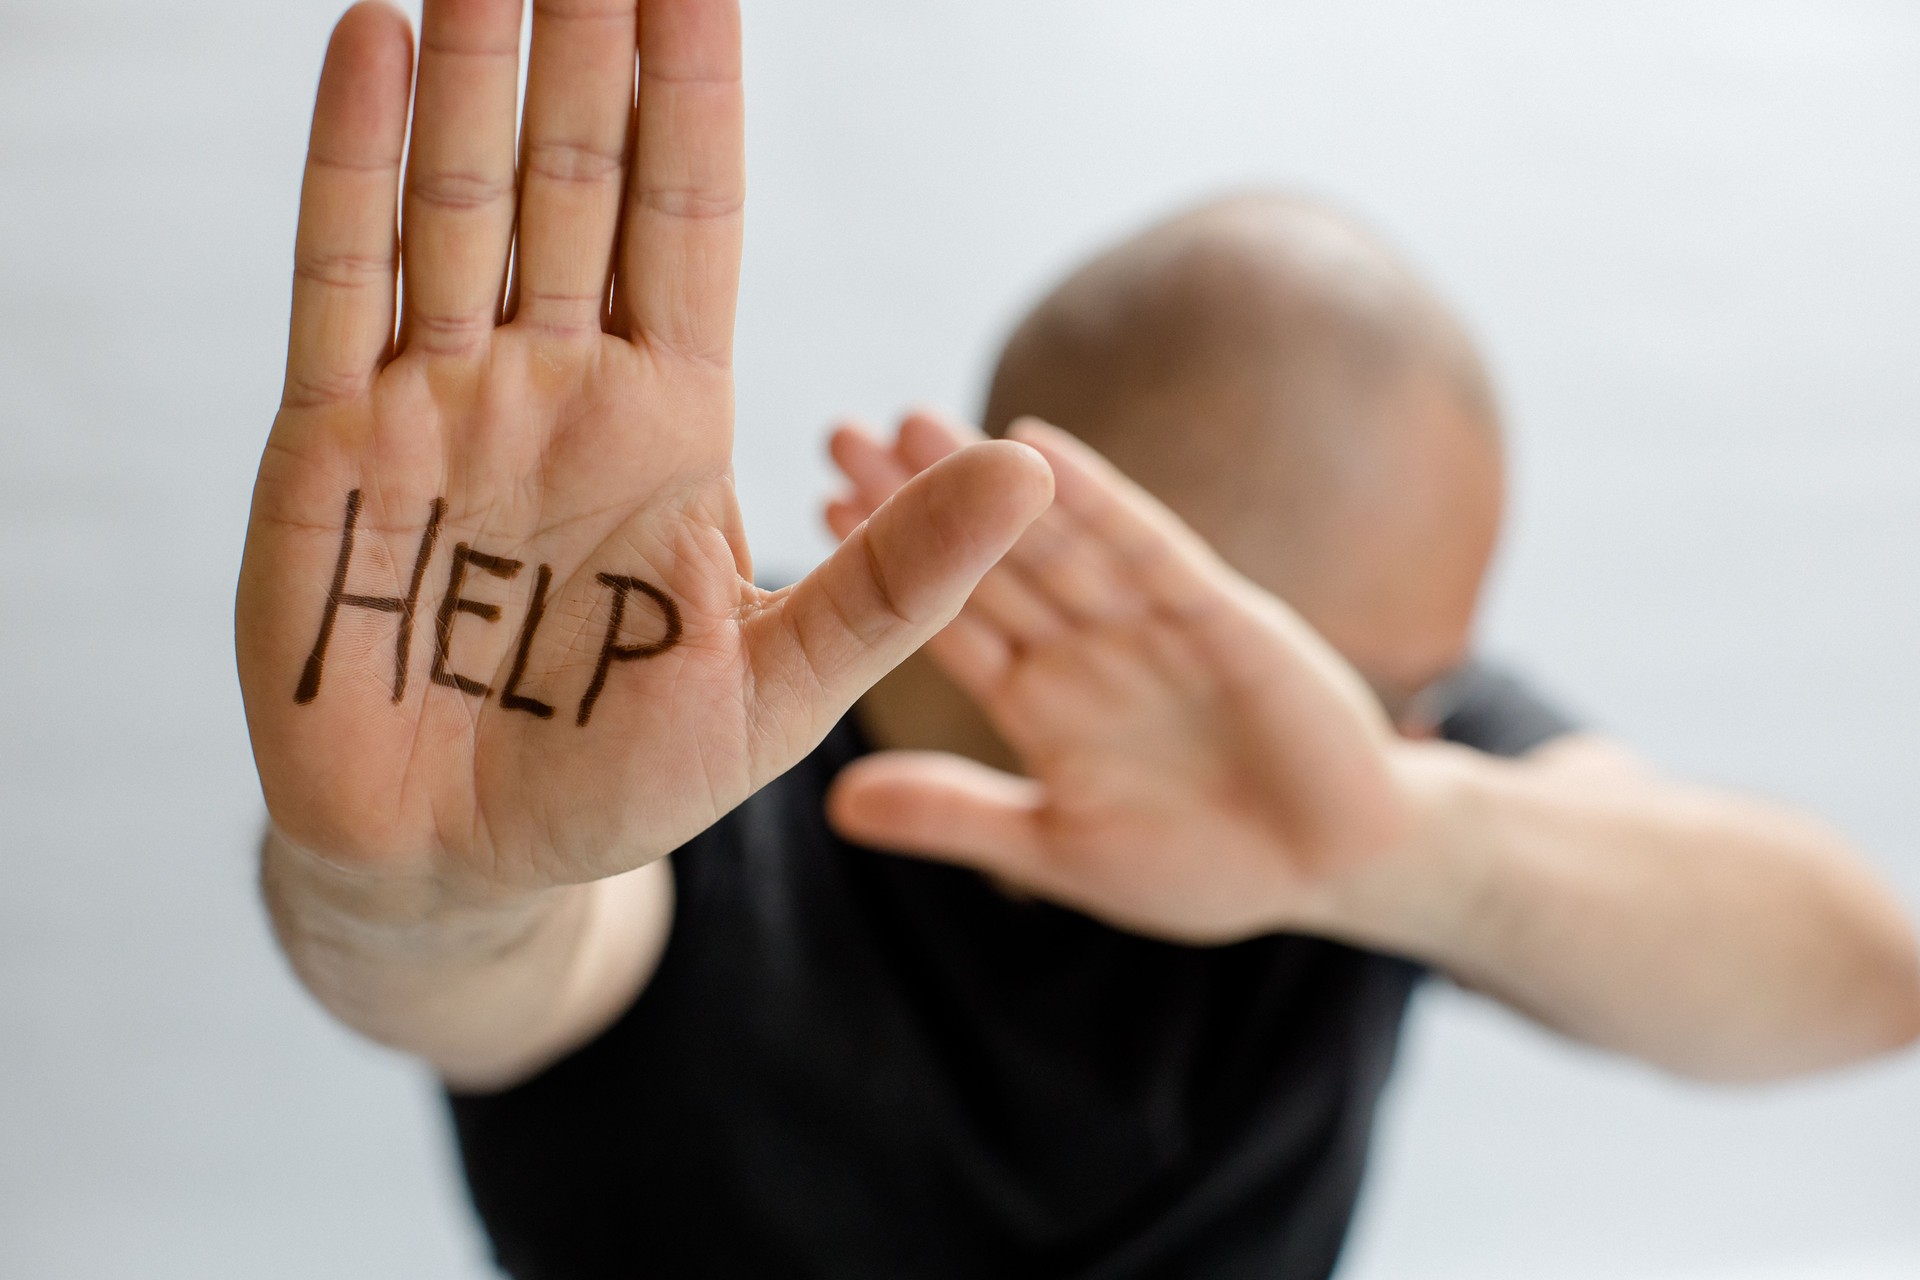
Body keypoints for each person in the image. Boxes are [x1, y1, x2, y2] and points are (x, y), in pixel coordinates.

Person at [237, 2, 1920, 1277]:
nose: (1430, 731)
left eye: (1428, 706)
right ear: (1096, 581)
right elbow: (499, 964)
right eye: (1394, 697)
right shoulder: (655, 745)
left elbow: (1863, 980)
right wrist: (430, 885)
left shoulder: (1389, 776)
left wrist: (1419, 851)